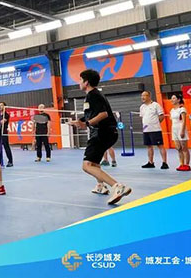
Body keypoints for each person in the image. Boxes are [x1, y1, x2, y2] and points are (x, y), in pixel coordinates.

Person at [68, 69, 131, 205]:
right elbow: (92, 113)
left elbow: (103, 114)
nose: (79, 82)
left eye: (80, 80)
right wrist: (79, 121)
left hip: (102, 133)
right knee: (94, 163)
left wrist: (86, 124)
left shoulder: (93, 95)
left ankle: (117, 186)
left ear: (86, 82)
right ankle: (101, 186)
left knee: (86, 166)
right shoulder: (93, 95)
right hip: (107, 133)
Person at [140, 91, 168, 169]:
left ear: (149, 96)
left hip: (155, 130)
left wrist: (155, 123)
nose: (142, 97)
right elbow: (143, 117)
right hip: (146, 130)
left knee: (160, 146)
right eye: (142, 96)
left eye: (144, 95)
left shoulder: (156, 105)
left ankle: (164, 163)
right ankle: (150, 162)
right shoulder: (142, 107)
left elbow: (162, 116)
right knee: (149, 146)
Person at [170, 94, 190, 171]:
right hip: (174, 129)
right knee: (178, 148)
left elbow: (184, 121)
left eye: (174, 98)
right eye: (171, 98)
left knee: (184, 148)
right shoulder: (172, 110)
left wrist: (182, 131)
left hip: (181, 128)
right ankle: (181, 164)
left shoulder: (182, 109)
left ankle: (187, 165)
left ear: (178, 100)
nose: (172, 100)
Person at [0, 102, 14, 167]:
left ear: (5, 106)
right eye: (0, 105)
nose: (0, 106)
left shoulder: (6, 115)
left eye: (2, 105)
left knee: (6, 146)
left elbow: (1, 122)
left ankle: (10, 161)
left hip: (4, 132)